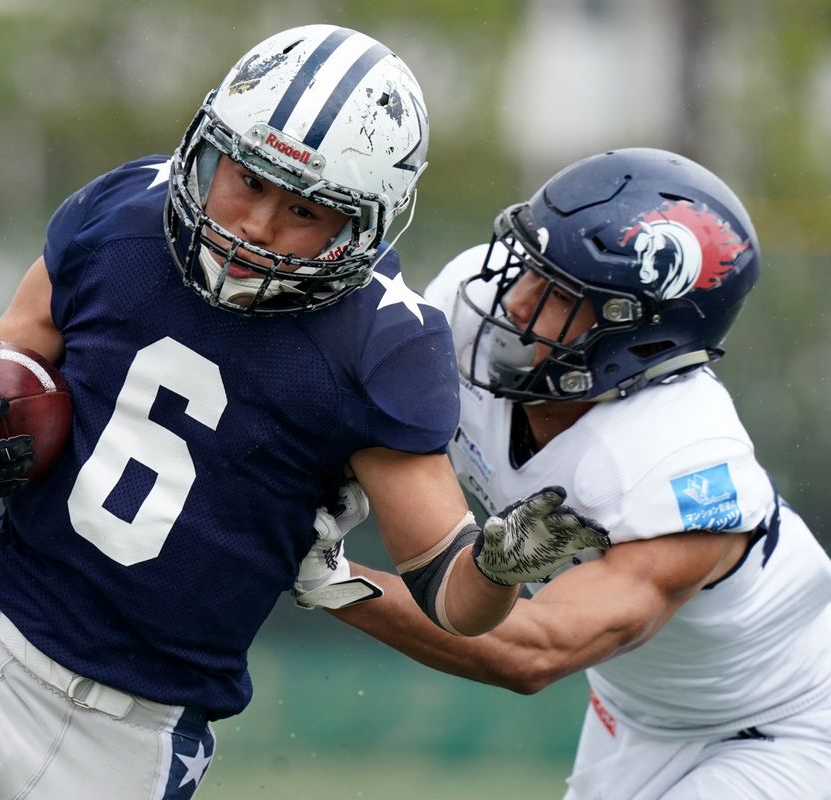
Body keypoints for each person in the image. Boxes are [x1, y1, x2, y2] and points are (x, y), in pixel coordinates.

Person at [0, 25, 605, 799]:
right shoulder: (123, 217)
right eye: (248, 179)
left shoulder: (385, 339)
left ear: (364, 221)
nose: (257, 225)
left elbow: (449, 596)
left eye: (305, 210)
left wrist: (496, 570)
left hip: (134, 735)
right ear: (211, 149)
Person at [299, 148, 831, 799]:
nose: (516, 301)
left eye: (560, 294)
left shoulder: (681, 464)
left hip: (788, 723)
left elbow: (534, 651)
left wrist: (330, 578)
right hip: (636, 710)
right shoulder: (474, 311)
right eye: (529, 266)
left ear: (637, 338)